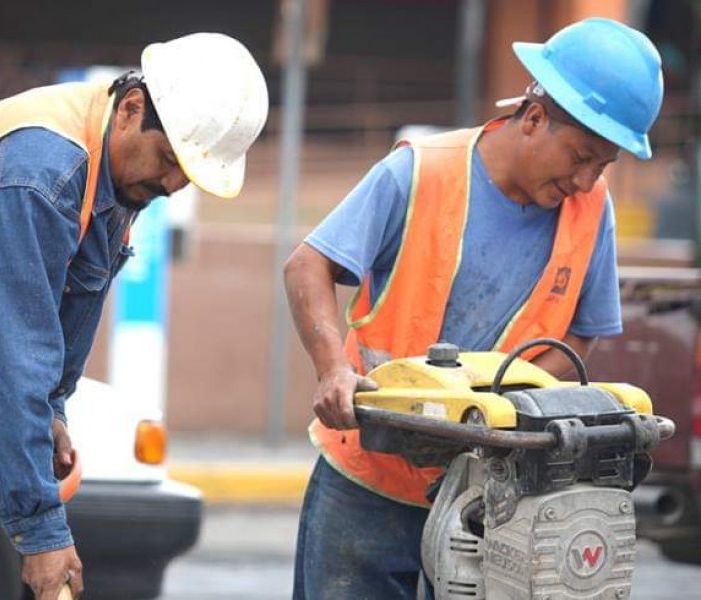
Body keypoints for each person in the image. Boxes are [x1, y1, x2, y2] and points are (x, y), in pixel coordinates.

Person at [284, 17, 663, 599]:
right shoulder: (421, 171)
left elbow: (582, 335)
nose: (587, 179)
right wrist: (334, 368)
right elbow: (308, 265)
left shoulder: (592, 210)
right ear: (534, 118)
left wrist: (504, 415)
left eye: (603, 165)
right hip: (370, 480)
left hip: (494, 496)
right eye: (581, 155)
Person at [0, 32, 268, 599]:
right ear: (131, 109)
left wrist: (52, 411)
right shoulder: (41, 170)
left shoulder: (114, 173)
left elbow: (56, 319)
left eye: (185, 176)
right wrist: (42, 535)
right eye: (169, 160)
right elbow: (16, 353)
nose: (171, 185)